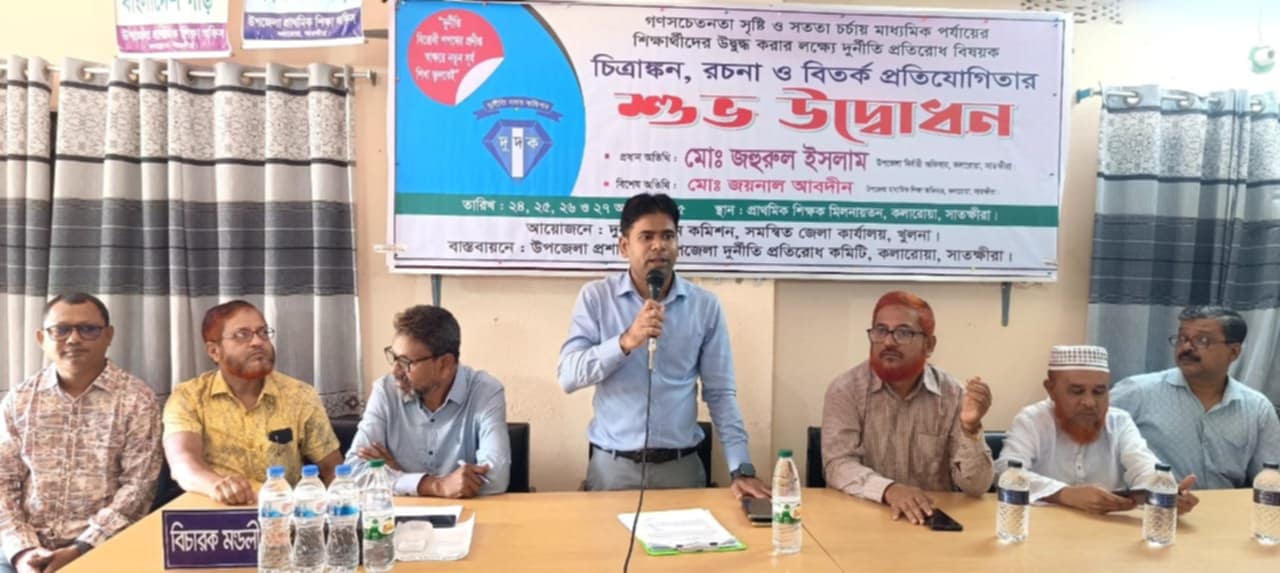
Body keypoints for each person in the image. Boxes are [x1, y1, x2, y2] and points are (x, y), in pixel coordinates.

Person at [557, 193, 769, 498]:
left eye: (668, 236)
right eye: (647, 237)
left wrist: (741, 467)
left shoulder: (704, 306)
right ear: (624, 246)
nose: (659, 245)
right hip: (613, 469)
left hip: (680, 468)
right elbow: (568, 376)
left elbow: (721, 394)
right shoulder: (596, 298)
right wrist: (625, 341)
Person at [0, 293, 162, 573]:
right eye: (61, 330)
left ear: (108, 335)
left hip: (107, 548)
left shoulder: (137, 400)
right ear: (41, 338)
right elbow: (3, 481)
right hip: (23, 550)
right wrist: (23, 551)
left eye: (88, 329)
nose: (74, 339)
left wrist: (81, 548)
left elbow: (139, 488)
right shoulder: (20, 400)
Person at [822, 291, 994, 525]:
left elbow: (977, 487)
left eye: (903, 333)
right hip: (863, 520)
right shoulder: (846, 390)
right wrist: (889, 489)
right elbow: (837, 465)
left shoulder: (953, 395)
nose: (888, 342)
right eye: (881, 331)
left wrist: (970, 428)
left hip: (930, 521)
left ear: (929, 345)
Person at [163, 300, 342, 506]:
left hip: (281, 514)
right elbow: (183, 463)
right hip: (213, 515)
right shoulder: (189, 397)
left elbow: (333, 470)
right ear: (214, 351)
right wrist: (217, 485)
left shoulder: (300, 396)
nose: (258, 342)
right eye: (242, 335)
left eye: (263, 332)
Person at [996, 345, 1198, 515]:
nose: (1089, 402)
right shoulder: (1032, 420)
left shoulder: (1119, 421)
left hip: (1108, 530)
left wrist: (1163, 492)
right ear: (1051, 389)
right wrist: (1063, 494)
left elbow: (1143, 465)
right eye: (1077, 391)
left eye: (1099, 392)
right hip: (1043, 529)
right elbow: (1006, 472)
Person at [346, 305, 511, 497]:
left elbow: (496, 478)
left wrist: (397, 475)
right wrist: (435, 485)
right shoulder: (386, 391)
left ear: (445, 364)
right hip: (397, 514)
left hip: (468, 512)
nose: (395, 371)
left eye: (406, 362)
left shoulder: (485, 392)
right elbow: (353, 472)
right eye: (394, 357)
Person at [1113, 306, 1280, 489]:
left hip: (1227, 505)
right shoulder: (1137, 392)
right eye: (1182, 338)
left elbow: (1271, 480)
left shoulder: (1257, 409)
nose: (1186, 347)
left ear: (1233, 352)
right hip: (1157, 503)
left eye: (1202, 340)